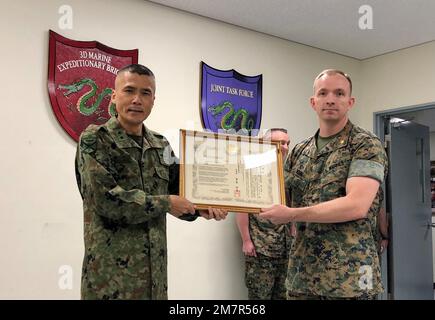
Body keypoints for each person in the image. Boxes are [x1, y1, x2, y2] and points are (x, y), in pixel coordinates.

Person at [75, 64, 227, 300]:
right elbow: (106, 200)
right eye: (129, 90)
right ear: (114, 96)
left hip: (154, 280)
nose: (137, 99)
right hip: (110, 281)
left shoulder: (160, 144)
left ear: (153, 100)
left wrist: (202, 208)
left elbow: (181, 191)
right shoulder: (95, 140)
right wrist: (166, 204)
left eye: (145, 93)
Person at [260, 69, 388, 300]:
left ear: (350, 102)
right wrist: (218, 201)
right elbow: (276, 197)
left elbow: (356, 205)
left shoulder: (365, 145)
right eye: (323, 93)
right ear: (313, 102)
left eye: (339, 93)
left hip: (349, 278)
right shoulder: (299, 150)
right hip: (302, 275)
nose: (330, 99)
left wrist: (292, 214)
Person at [236, 128, 293, 300]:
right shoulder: (253, 170)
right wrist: (246, 240)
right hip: (261, 247)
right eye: (280, 143)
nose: (285, 147)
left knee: (283, 295)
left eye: (287, 143)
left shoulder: (287, 171)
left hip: (285, 247)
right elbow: (241, 208)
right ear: (266, 144)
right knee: (260, 297)